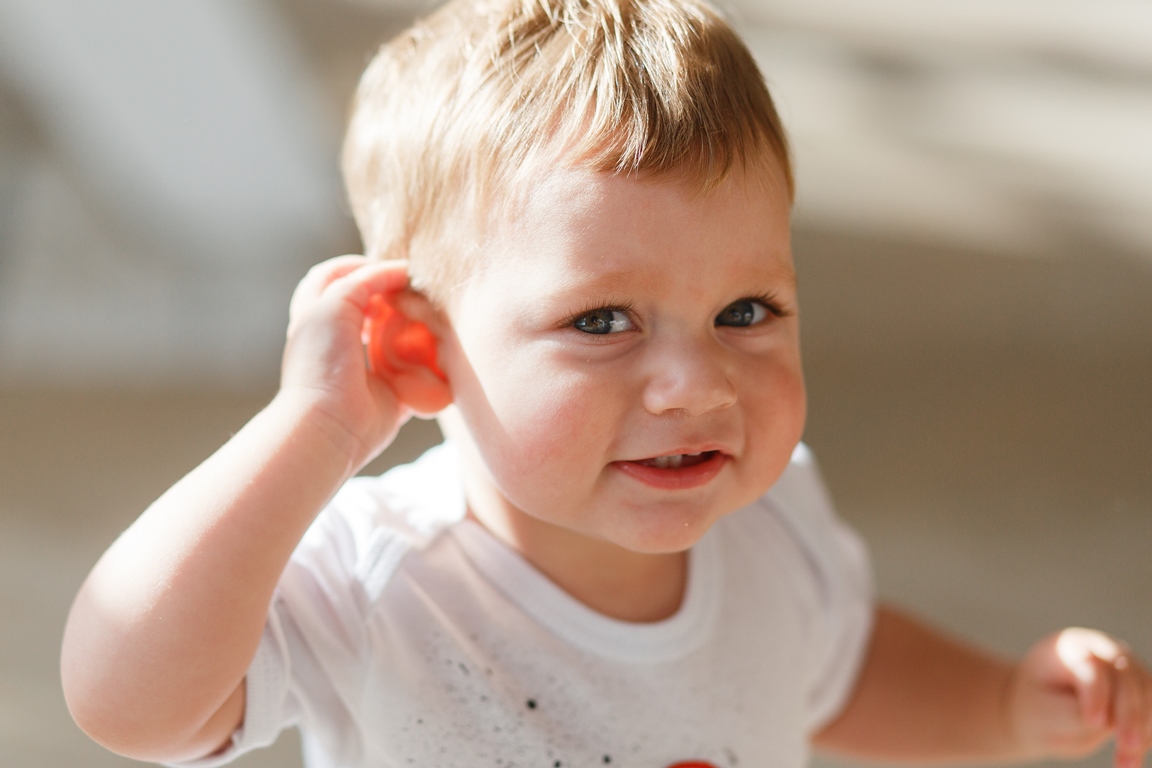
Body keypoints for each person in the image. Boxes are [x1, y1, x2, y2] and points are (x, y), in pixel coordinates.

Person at [60, 0, 1152, 766]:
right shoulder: (377, 579)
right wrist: (312, 427)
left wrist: (1005, 705)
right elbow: (128, 702)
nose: (694, 383)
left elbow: (840, 659)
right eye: (601, 321)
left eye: (746, 312)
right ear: (423, 351)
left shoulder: (770, 522)